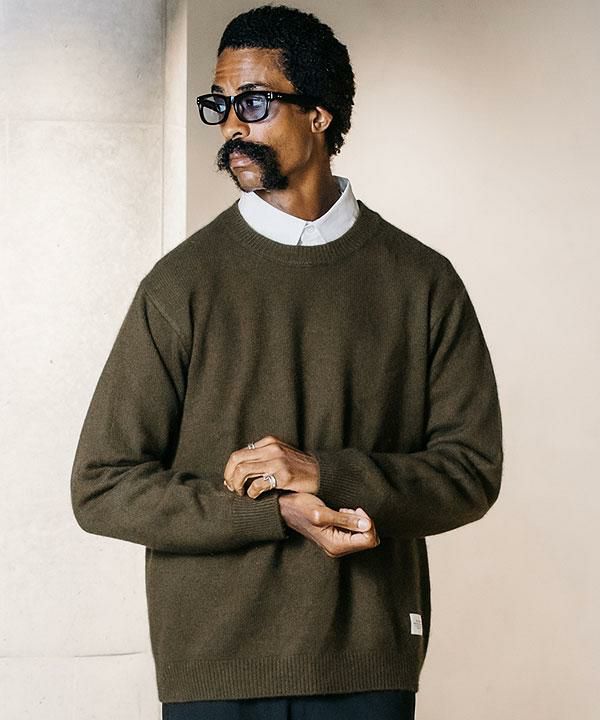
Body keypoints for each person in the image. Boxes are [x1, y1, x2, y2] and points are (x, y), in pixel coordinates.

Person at [70, 5, 503, 719]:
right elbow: (102, 485)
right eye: (220, 105)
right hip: (214, 670)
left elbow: (470, 473)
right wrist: (275, 513)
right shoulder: (179, 286)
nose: (230, 127)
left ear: (320, 114)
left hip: (367, 661)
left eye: (254, 103)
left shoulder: (422, 281)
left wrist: (325, 473)